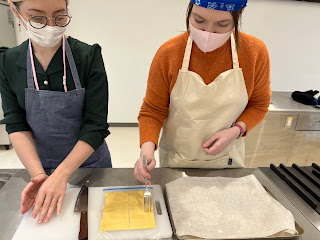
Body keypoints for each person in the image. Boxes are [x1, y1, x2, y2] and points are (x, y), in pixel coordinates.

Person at [134, 0, 271, 184]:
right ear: (189, 10)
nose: (208, 32)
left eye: (222, 25)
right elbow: (152, 109)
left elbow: (259, 104)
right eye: (199, 21)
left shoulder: (254, 52)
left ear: (239, 15)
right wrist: (147, 148)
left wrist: (236, 130)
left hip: (228, 163)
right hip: (177, 163)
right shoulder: (169, 53)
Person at [0, 0, 111, 223]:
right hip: (40, 166)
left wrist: (61, 175)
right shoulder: (8, 62)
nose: (51, 26)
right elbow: (16, 123)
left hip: (90, 166)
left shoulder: (87, 56)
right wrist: (40, 175)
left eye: (60, 17)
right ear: (15, 11)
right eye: (38, 18)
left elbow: (95, 125)